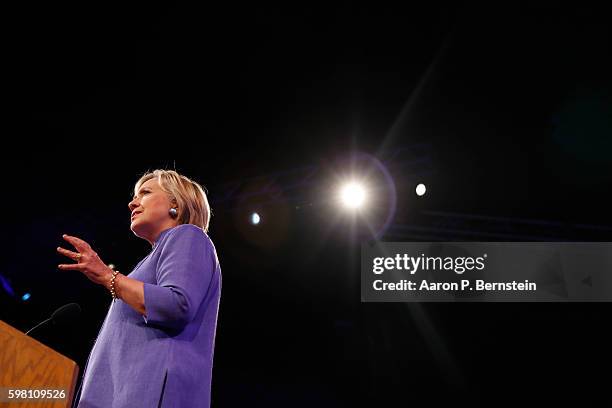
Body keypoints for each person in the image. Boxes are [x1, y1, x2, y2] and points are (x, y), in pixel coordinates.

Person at [57, 169, 221, 408]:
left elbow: (176, 304)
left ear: (175, 202)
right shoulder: (150, 260)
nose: (132, 202)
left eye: (144, 193)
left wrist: (107, 276)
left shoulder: (188, 236)